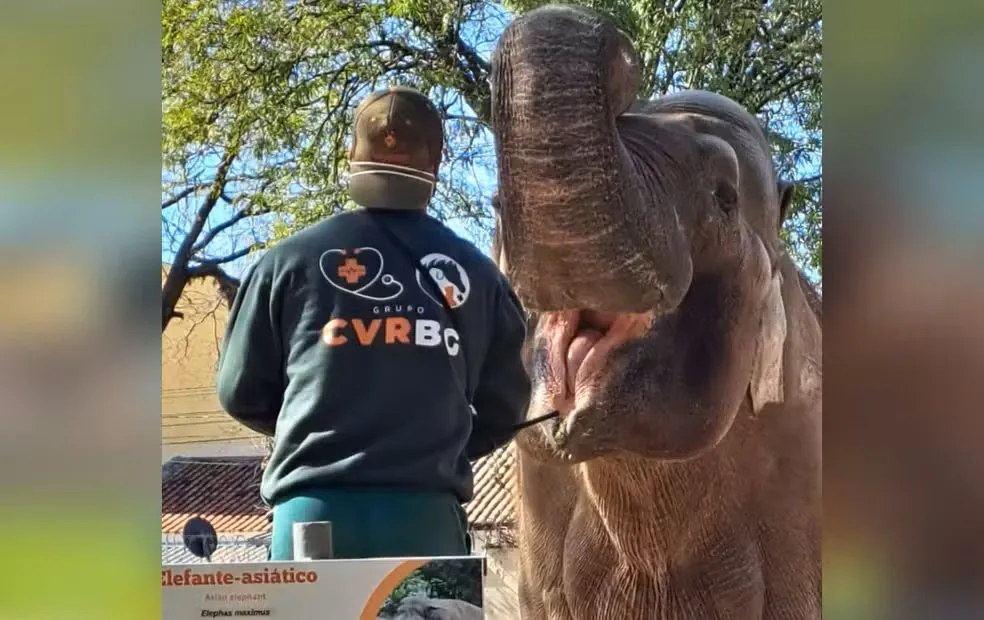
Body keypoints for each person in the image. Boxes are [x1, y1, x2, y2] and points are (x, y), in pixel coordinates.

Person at [215, 86, 531, 561]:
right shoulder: (478, 277)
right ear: (437, 162)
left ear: (351, 156)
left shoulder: (283, 265)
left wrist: (318, 425)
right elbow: (506, 406)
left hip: (310, 520)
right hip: (425, 521)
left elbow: (239, 390)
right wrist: (433, 445)